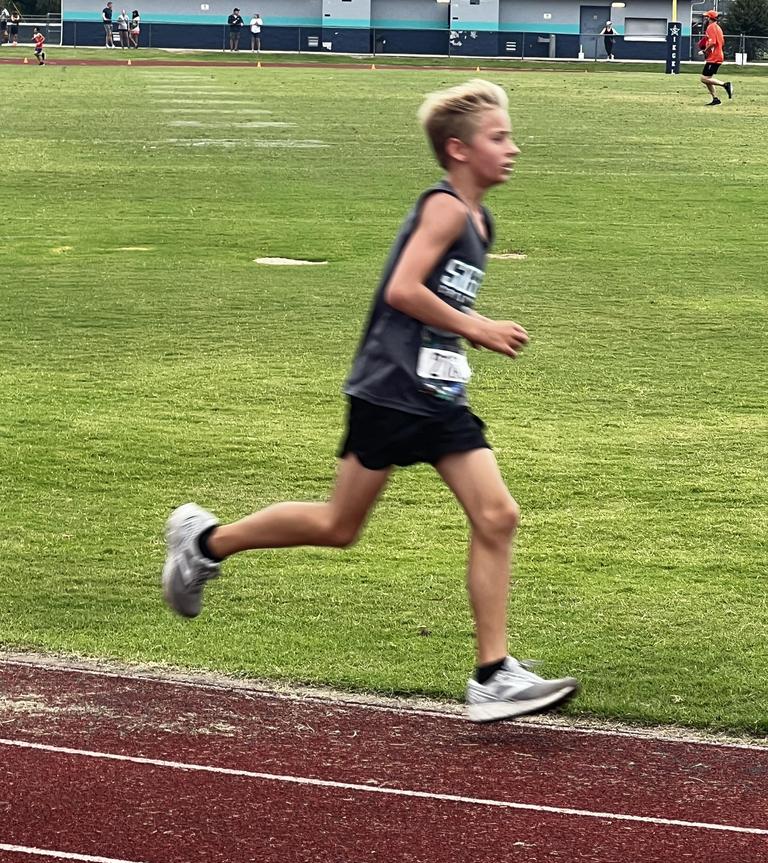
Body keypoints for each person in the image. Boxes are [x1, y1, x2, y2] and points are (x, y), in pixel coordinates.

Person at [162, 79, 580, 725]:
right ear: (459, 149)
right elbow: (403, 291)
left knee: (497, 515)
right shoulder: (444, 209)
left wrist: (460, 340)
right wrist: (478, 327)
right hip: (390, 389)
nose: (513, 148)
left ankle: (493, 676)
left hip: (438, 393)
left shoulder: (480, 220)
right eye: (499, 137)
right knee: (339, 526)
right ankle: (206, 543)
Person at [700, 10, 733, 106]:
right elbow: (721, 42)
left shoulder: (710, 27)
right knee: (708, 79)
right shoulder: (718, 27)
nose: (705, 18)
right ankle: (715, 99)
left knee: (704, 79)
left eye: (707, 17)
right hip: (717, 55)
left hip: (714, 57)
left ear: (710, 18)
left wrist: (705, 50)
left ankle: (725, 85)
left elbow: (712, 42)